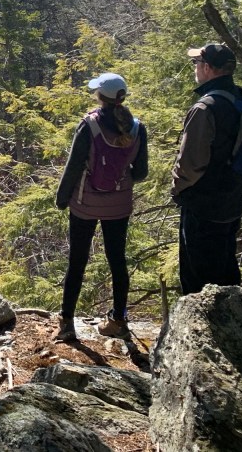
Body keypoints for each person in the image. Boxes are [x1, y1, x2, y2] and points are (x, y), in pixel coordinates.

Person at [54, 72, 149, 342]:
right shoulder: (137, 128)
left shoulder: (89, 125)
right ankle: (118, 321)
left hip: (85, 203)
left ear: (100, 96)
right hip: (119, 205)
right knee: (117, 260)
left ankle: (66, 324)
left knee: (77, 261)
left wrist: (62, 198)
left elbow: (74, 166)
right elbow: (141, 172)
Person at [172, 42, 242, 294]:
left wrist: (178, 190)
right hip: (232, 200)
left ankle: (203, 318)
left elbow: (190, 163)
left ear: (207, 67)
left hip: (202, 205)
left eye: (196, 63)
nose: (195, 67)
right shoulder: (240, 98)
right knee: (226, 269)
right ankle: (234, 313)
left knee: (197, 279)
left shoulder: (205, 107)